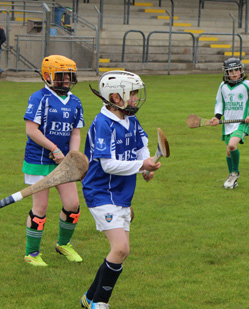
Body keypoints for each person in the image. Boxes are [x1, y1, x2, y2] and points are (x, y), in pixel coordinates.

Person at [81, 71, 161, 308]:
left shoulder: (131, 120)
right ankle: (100, 303)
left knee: (120, 253)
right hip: (100, 192)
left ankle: (89, 298)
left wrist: (146, 165)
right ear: (116, 97)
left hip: (121, 194)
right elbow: (107, 165)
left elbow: (141, 145)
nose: (136, 98)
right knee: (120, 248)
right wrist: (140, 166)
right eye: (132, 93)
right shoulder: (103, 123)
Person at [22, 55, 84, 266]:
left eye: (69, 75)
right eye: (61, 76)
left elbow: (75, 132)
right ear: (48, 76)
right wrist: (54, 148)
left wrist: (72, 156)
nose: (66, 80)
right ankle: (31, 254)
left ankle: (63, 244)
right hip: (38, 160)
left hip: (63, 163)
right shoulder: (39, 98)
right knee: (40, 207)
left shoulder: (75, 101)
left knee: (73, 204)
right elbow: (31, 130)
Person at [210, 58, 249, 189]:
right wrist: (217, 117)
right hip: (228, 124)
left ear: (241, 70)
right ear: (226, 73)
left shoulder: (247, 84)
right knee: (229, 151)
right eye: (231, 71)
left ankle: (235, 173)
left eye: (236, 70)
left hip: (242, 122)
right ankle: (232, 177)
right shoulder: (222, 86)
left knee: (232, 145)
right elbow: (220, 103)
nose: (234, 73)